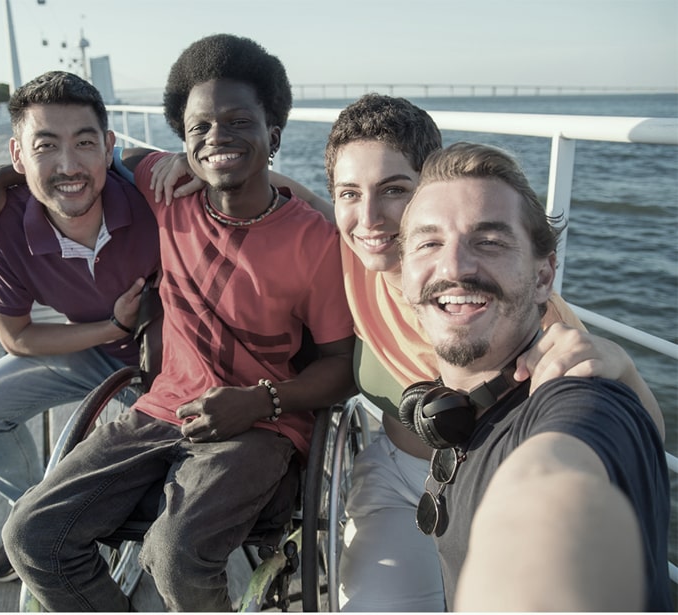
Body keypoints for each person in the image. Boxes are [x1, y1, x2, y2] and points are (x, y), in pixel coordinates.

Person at [149, 93, 665, 611]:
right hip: (394, 475)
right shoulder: (354, 250)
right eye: (350, 193)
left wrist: (626, 377)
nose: (370, 218)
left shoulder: (515, 307)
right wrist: (192, 164)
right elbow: (307, 201)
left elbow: (607, 428)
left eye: (396, 190)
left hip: (490, 485)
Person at [0, 34, 355, 612]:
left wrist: (260, 401)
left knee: (173, 554)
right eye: (200, 129)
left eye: (239, 122)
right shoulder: (164, 193)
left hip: (262, 423)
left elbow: (342, 368)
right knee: (31, 536)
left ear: (275, 135)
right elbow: (78, 162)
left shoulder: (314, 242)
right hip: (161, 407)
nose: (218, 139)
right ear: (183, 142)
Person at [397, 141, 672, 611]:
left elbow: (555, 479)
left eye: (489, 241)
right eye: (429, 243)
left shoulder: (578, 395)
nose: (455, 266)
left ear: (544, 276)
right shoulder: (470, 408)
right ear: (403, 275)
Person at [0, 71, 160, 583]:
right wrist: (113, 325)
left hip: (174, 368)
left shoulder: (152, 194)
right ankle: (30, 511)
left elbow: (251, 191)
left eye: (84, 142)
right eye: (45, 145)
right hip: (98, 351)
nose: (68, 165)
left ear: (109, 147)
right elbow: (16, 336)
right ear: (18, 157)